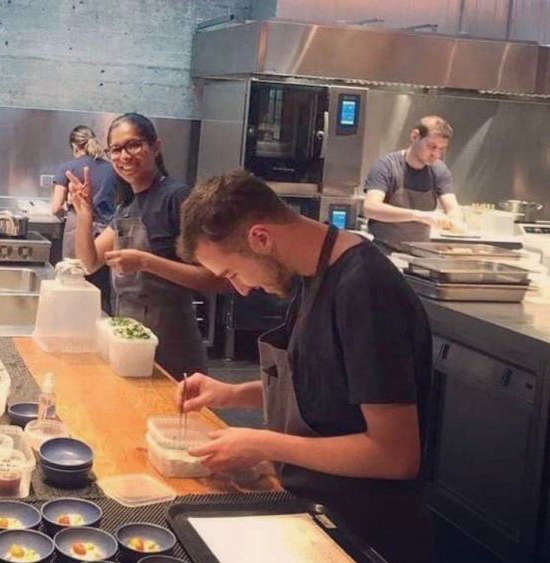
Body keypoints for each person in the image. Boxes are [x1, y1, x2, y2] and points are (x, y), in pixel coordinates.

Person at [176, 169, 434, 562]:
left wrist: (262, 444)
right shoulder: (314, 274)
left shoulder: (365, 288)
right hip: (314, 510)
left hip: (362, 536)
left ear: (261, 238)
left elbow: (395, 455)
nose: (241, 289)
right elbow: (326, 389)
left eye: (233, 273)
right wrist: (231, 393)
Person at [70, 113, 227, 379]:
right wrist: (84, 214)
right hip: (129, 340)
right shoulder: (127, 205)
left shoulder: (177, 197)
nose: (124, 156)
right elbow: (89, 263)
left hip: (172, 346)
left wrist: (146, 262)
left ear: (155, 147)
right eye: (116, 149)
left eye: (134, 145)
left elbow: (217, 279)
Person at [362, 115, 465, 250]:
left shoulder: (439, 170)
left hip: (419, 252)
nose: (436, 154)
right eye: (432, 146)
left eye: (441, 149)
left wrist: (455, 219)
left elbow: (452, 207)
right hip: (382, 252)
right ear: (415, 136)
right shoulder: (387, 166)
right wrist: (419, 215)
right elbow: (370, 208)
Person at [51, 125, 116, 312]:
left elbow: (56, 208)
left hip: (77, 230)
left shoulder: (67, 168)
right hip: (107, 233)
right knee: (101, 290)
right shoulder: (112, 169)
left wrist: (67, 209)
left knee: (74, 283)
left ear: (74, 146)